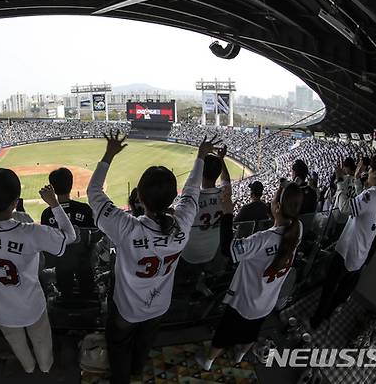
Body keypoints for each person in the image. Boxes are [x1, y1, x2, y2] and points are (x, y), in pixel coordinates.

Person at [87, 130, 216, 384]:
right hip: (159, 307)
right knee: (144, 343)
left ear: (140, 199)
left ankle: (122, 379)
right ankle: (137, 370)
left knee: (119, 346)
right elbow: (192, 190)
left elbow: (94, 192)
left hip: (126, 309)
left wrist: (109, 154)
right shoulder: (183, 223)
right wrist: (201, 156)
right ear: (172, 198)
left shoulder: (127, 227)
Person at [0, 169, 77, 374]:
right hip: (31, 306)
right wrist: (54, 204)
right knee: (42, 344)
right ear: (15, 202)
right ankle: (45, 369)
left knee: (18, 345)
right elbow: (70, 235)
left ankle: (29, 369)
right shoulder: (30, 232)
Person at [197, 180, 303, 370]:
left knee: (224, 333)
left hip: (244, 301)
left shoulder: (263, 240)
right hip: (267, 302)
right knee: (251, 333)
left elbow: (228, 250)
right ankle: (239, 356)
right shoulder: (298, 229)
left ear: (277, 207)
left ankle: (208, 362)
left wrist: (228, 212)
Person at [310, 154, 376, 328]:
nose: (366, 172)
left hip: (347, 251)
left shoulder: (371, 196)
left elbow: (347, 207)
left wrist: (340, 181)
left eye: (369, 169)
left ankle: (316, 320)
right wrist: (355, 180)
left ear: (375, 173)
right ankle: (328, 315)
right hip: (360, 253)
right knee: (341, 291)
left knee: (329, 287)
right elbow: (362, 202)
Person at [180, 144, 231, 295]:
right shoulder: (224, 195)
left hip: (188, 255)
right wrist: (221, 159)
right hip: (212, 252)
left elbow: (191, 186)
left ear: (201, 172)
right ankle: (200, 281)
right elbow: (226, 180)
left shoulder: (192, 199)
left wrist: (201, 157)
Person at [40, 167, 95, 300]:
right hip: (85, 262)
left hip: (61, 264)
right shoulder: (85, 209)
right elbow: (94, 237)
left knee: (66, 296)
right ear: (71, 185)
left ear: (52, 187)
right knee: (88, 295)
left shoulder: (47, 214)